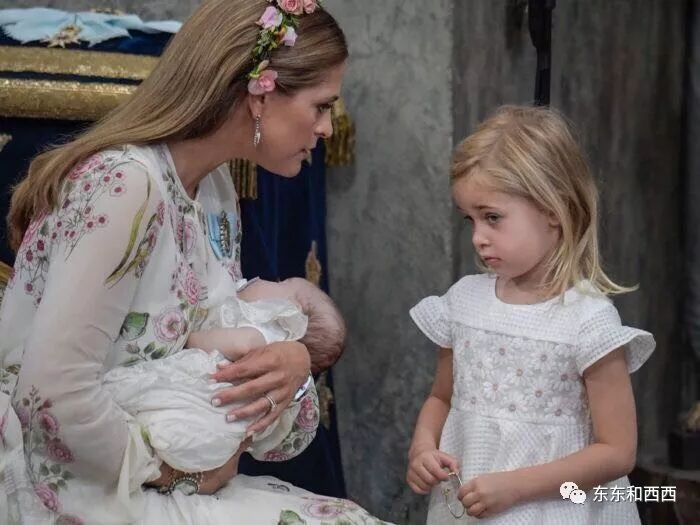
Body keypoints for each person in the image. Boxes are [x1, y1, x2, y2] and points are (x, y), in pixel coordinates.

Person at [0, 0, 391, 523]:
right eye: (321, 106)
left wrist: (291, 362)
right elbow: (52, 392)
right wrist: (176, 474)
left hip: (144, 473)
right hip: (66, 479)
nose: (326, 128)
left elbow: (206, 339)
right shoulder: (125, 185)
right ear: (260, 96)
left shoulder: (214, 190)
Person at [406, 105, 655, 524]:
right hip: (469, 508)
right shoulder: (463, 303)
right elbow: (440, 398)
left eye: (492, 218)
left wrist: (516, 487)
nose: (478, 237)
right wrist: (422, 447)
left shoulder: (588, 321)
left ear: (553, 210)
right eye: (470, 220)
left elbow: (617, 451)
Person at [104, 277, 346, 473]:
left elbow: (241, 345)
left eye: (281, 283)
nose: (266, 280)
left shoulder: (267, 332)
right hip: (209, 442)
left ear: (292, 308)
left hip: (196, 403)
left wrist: (192, 338)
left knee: (136, 394)